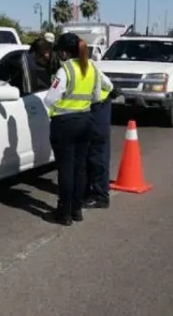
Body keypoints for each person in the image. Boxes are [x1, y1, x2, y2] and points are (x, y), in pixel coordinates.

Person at [42, 32, 98, 226]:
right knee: (80, 167)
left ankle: (64, 213)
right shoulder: (91, 67)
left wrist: (60, 107)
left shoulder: (64, 70)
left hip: (64, 124)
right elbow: (97, 95)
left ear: (65, 52)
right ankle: (76, 210)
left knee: (65, 169)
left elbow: (50, 99)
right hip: (85, 121)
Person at [84, 61, 120, 210]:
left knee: (98, 154)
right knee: (88, 154)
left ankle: (100, 196)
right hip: (94, 107)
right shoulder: (80, 64)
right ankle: (88, 192)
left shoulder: (82, 66)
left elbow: (106, 86)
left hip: (98, 107)